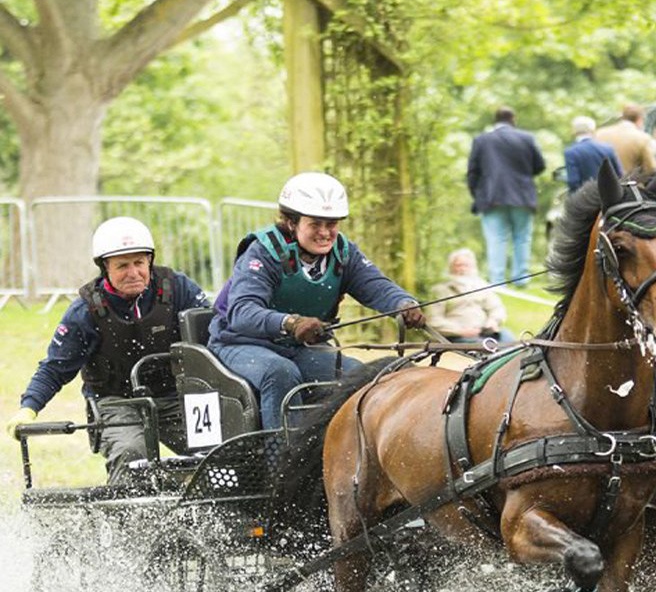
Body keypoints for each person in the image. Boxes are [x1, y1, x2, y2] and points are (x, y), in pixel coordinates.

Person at [207, 172, 425, 431]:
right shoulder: (262, 252)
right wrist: (291, 323)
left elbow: (375, 286)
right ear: (291, 222)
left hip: (297, 349)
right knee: (280, 373)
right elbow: (243, 312)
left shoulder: (344, 253)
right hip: (239, 344)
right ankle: (283, 464)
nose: (325, 233)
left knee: (361, 376)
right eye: (315, 224)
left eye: (332, 224)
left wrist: (403, 304)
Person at [4, 217, 210, 484]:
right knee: (132, 455)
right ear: (105, 268)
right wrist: (28, 407)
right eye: (122, 266)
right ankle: (124, 523)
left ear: (150, 261)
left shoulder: (179, 289)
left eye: (139, 263)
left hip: (177, 397)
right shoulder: (85, 311)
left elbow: (212, 338)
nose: (133, 272)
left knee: (217, 451)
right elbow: (55, 368)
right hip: (117, 402)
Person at [467, 106, 547, 286]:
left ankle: (498, 282)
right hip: (522, 196)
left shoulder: (481, 140)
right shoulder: (526, 138)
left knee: (496, 239)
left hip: (491, 196)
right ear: (513, 119)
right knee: (522, 238)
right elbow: (540, 166)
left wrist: (478, 194)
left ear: (495, 120)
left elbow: (472, 172)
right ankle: (521, 279)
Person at [427, 248, 515, 344]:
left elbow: (496, 308)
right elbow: (433, 320)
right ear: (451, 267)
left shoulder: (482, 286)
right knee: (488, 346)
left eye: (466, 265)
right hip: (456, 336)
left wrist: (493, 321)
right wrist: (460, 331)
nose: (462, 269)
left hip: (484, 331)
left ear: (473, 267)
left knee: (510, 340)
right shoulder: (440, 290)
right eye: (458, 265)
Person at [595, 104, 656, 176]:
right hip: (627, 184)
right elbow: (651, 168)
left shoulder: (600, 133)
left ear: (622, 117)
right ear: (639, 119)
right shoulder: (643, 138)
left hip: (598, 184)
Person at [563, 116, 622, 193]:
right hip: (609, 196)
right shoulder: (608, 148)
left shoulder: (570, 152)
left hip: (585, 198)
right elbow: (619, 174)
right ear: (593, 130)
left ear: (574, 131)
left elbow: (573, 182)